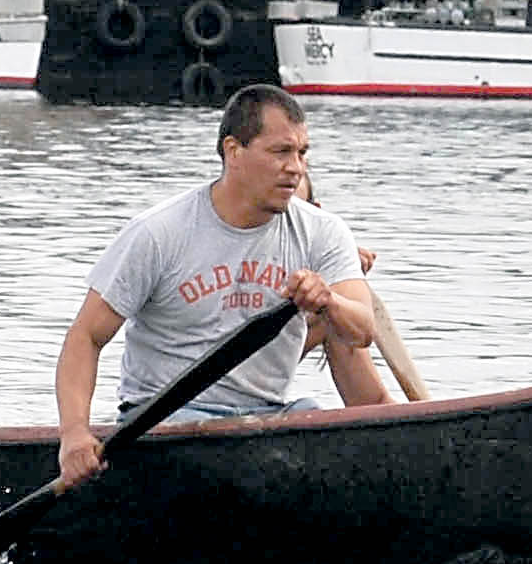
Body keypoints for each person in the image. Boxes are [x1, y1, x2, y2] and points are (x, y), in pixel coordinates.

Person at [52, 84, 393, 486]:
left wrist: (329, 302)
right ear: (234, 152)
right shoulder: (159, 233)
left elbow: (362, 330)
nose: (297, 167)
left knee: (317, 426)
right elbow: (86, 336)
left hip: (268, 415)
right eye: (281, 152)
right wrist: (74, 433)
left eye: (303, 153)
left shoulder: (324, 233)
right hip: (164, 421)